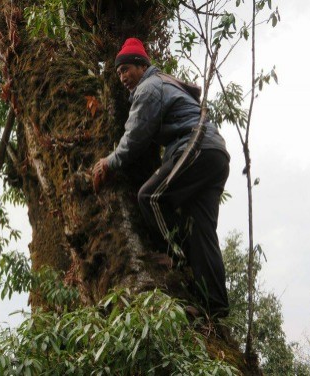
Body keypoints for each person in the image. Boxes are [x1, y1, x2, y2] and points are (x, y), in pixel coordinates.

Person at [92, 38, 230, 318]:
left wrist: (110, 161)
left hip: (197, 146)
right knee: (202, 230)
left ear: (142, 65)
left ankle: (176, 258)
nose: (122, 77)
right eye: (119, 73)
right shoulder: (163, 84)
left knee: (150, 196)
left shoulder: (149, 87)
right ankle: (214, 305)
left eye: (126, 69)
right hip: (215, 154)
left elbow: (136, 135)